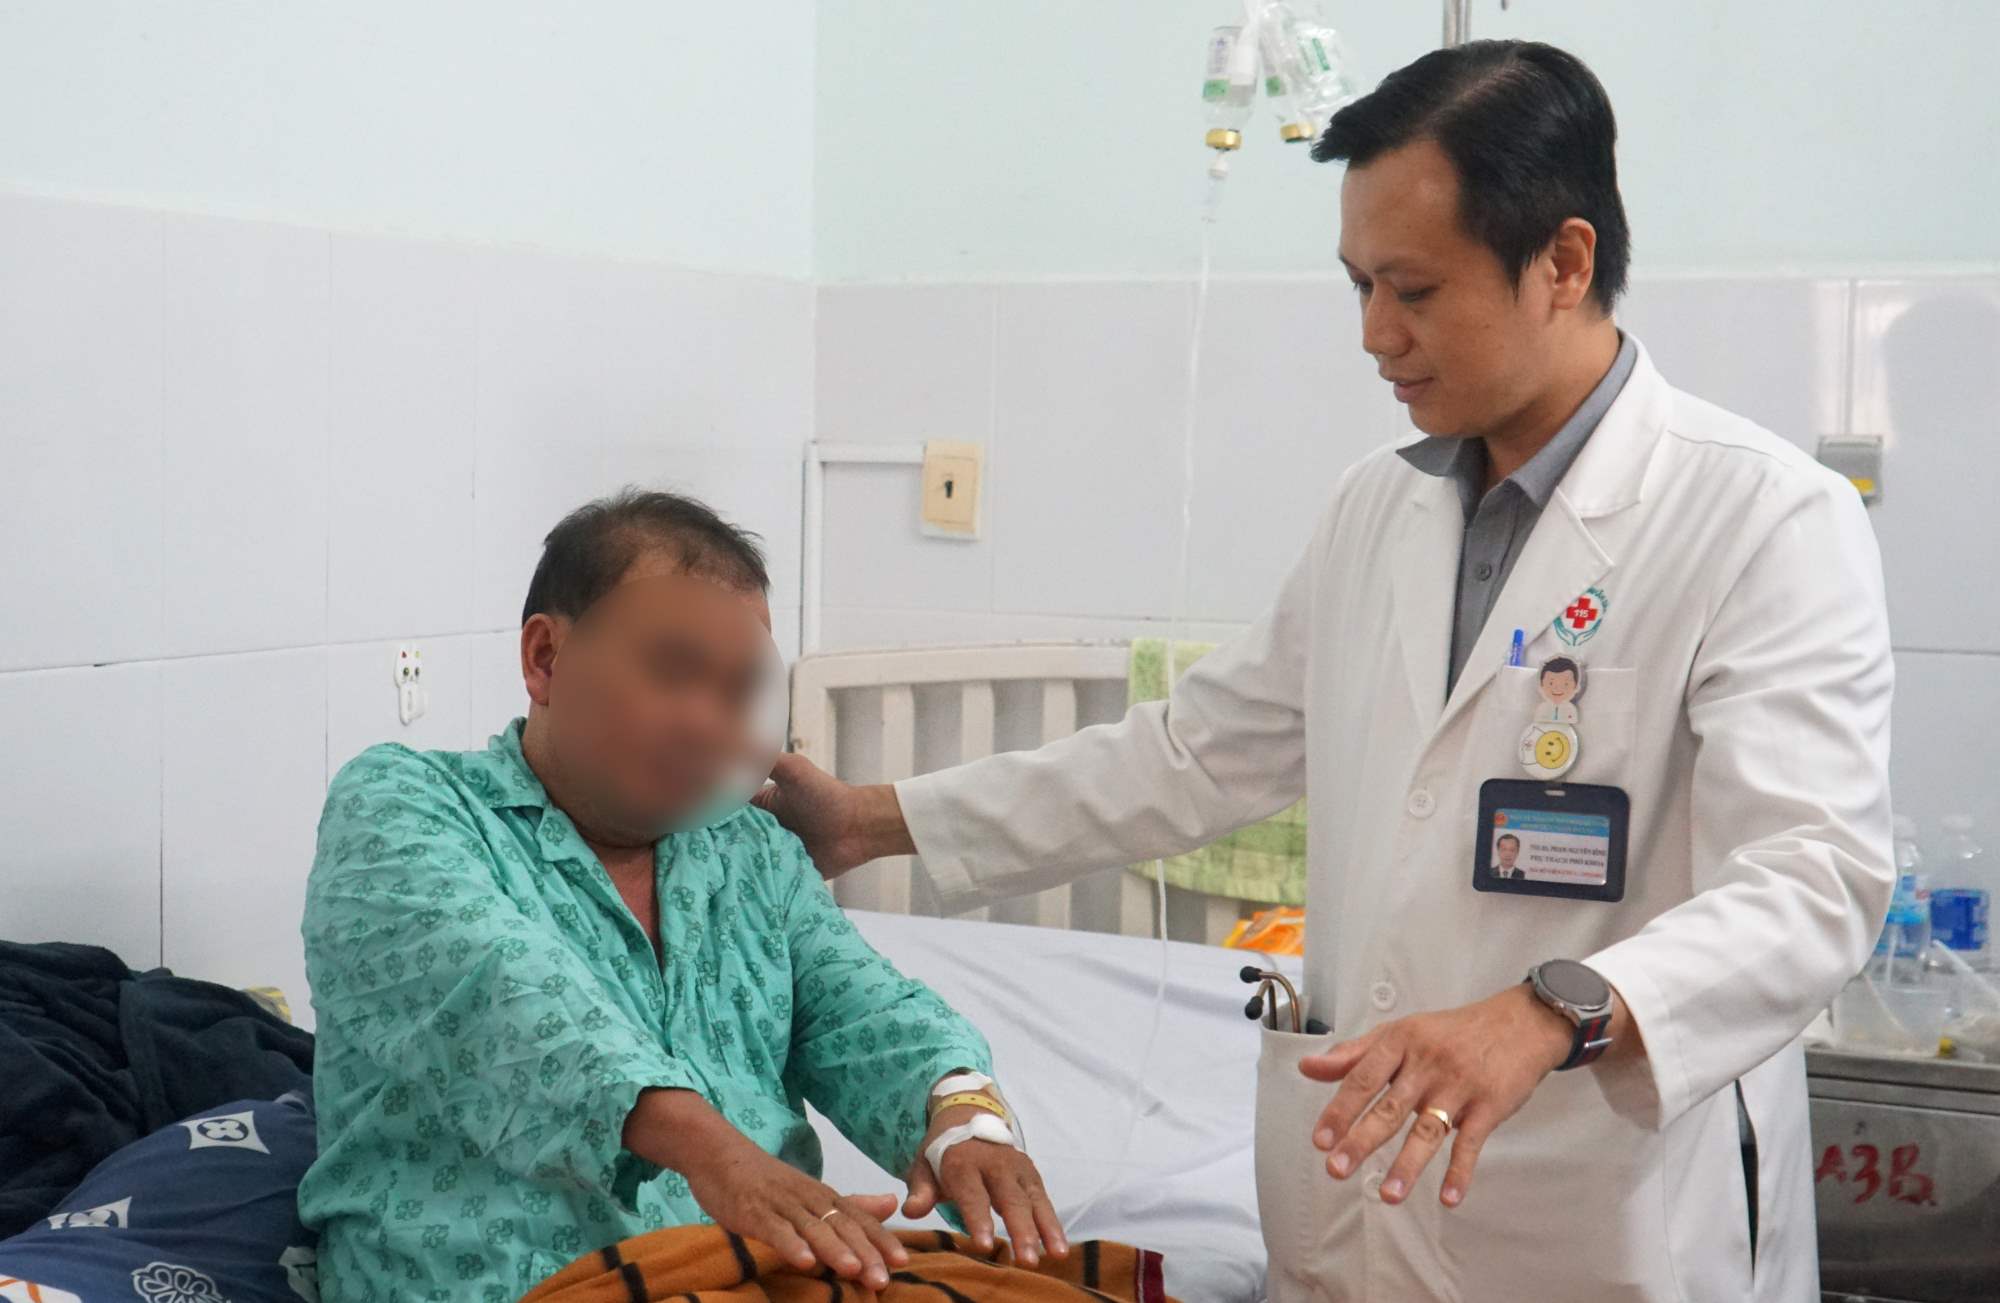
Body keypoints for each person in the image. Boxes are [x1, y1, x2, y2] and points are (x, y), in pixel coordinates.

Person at [756, 40, 1892, 1302]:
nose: (1372, 335)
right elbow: (1193, 753)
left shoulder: (1758, 517)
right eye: (1356, 285)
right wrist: (872, 819)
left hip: (1603, 1207)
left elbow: (1814, 877)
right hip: (1359, 1200)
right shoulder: (1378, 509)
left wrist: (1551, 1009)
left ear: (1561, 264)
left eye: (1410, 288)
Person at [299, 491, 1063, 1303]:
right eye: (672, 671)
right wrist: (719, 1156)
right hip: (521, 1283)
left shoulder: (750, 850)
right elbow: (508, 1002)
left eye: (736, 691)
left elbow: (861, 1008)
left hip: (764, 1274)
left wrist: (961, 1113)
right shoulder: (403, 805)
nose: (707, 721)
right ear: (545, 658)